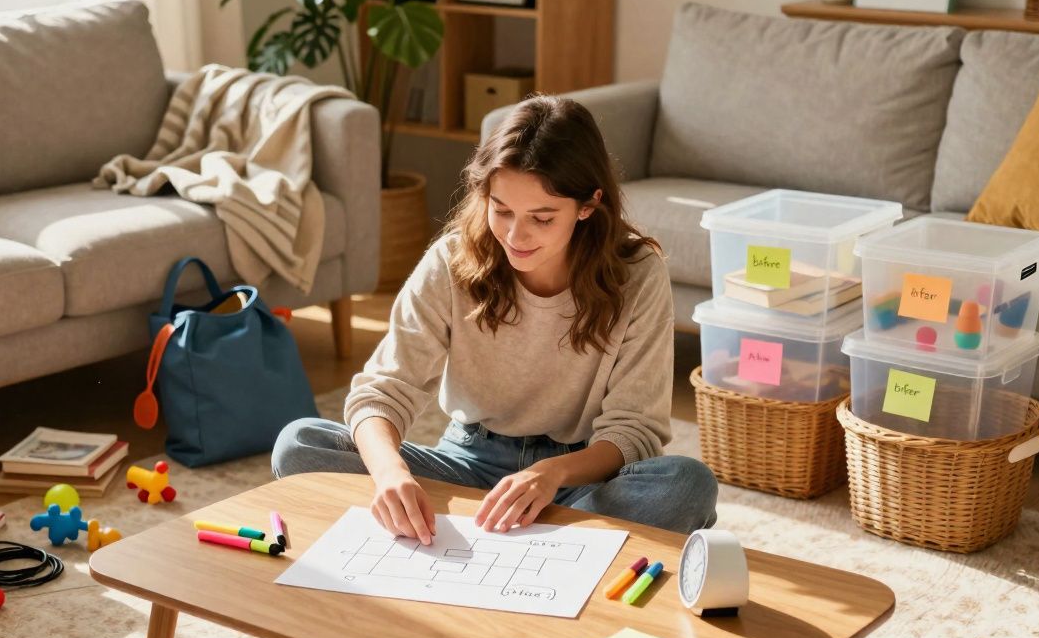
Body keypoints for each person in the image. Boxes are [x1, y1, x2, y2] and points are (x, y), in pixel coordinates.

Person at [272, 95, 718, 546]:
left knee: (687, 483)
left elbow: (634, 430)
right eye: (501, 209)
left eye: (542, 218)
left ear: (588, 205)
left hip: (580, 475)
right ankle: (564, 540)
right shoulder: (451, 260)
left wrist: (551, 473)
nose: (514, 235)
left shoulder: (637, 273)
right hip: (469, 461)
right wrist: (390, 475)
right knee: (299, 443)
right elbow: (383, 391)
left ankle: (508, 533)